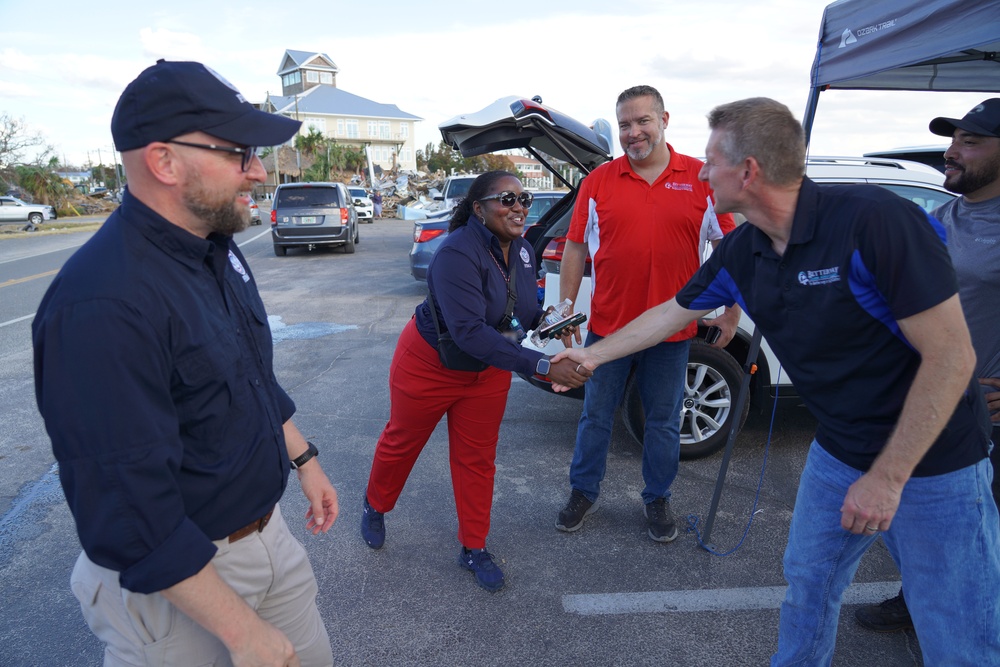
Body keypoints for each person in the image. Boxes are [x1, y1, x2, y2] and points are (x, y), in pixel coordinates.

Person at [552, 97, 1000, 665]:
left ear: (750, 171)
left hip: (934, 462)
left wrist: (887, 478)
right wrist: (592, 358)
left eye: (713, 161)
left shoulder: (875, 221)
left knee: (955, 627)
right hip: (838, 453)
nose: (703, 171)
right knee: (808, 587)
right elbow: (672, 312)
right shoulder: (744, 249)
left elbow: (951, 357)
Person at [32, 60, 339, 667]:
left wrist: (302, 457)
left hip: (267, 536)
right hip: (181, 583)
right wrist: (243, 635)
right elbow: (127, 509)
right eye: (238, 153)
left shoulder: (214, 250)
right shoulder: (102, 304)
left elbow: (250, 376)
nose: (256, 172)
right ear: (164, 162)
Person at [360, 171, 590, 591]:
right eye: (507, 199)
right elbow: (469, 332)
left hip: (486, 373)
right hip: (429, 365)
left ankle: (474, 547)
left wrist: (549, 321)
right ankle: (375, 505)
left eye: (525, 198)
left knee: (477, 461)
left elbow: (518, 312)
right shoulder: (455, 254)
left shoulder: (522, 250)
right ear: (479, 208)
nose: (519, 206)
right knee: (402, 442)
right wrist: (541, 366)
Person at [555, 84, 738, 541]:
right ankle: (583, 492)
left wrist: (732, 310)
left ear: (664, 120)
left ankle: (657, 498)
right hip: (608, 331)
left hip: (671, 335)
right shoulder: (598, 181)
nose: (633, 133)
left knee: (662, 422)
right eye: (624, 125)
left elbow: (732, 249)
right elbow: (575, 248)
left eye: (642, 122)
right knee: (595, 418)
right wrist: (564, 308)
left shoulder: (701, 178)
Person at [855, 98, 1000, 635]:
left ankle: (964, 630)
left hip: (989, 413)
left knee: (978, 538)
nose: (953, 151)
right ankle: (917, 598)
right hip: (935, 401)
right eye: (954, 139)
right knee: (927, 521)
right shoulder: (940, 217)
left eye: (972, 141)